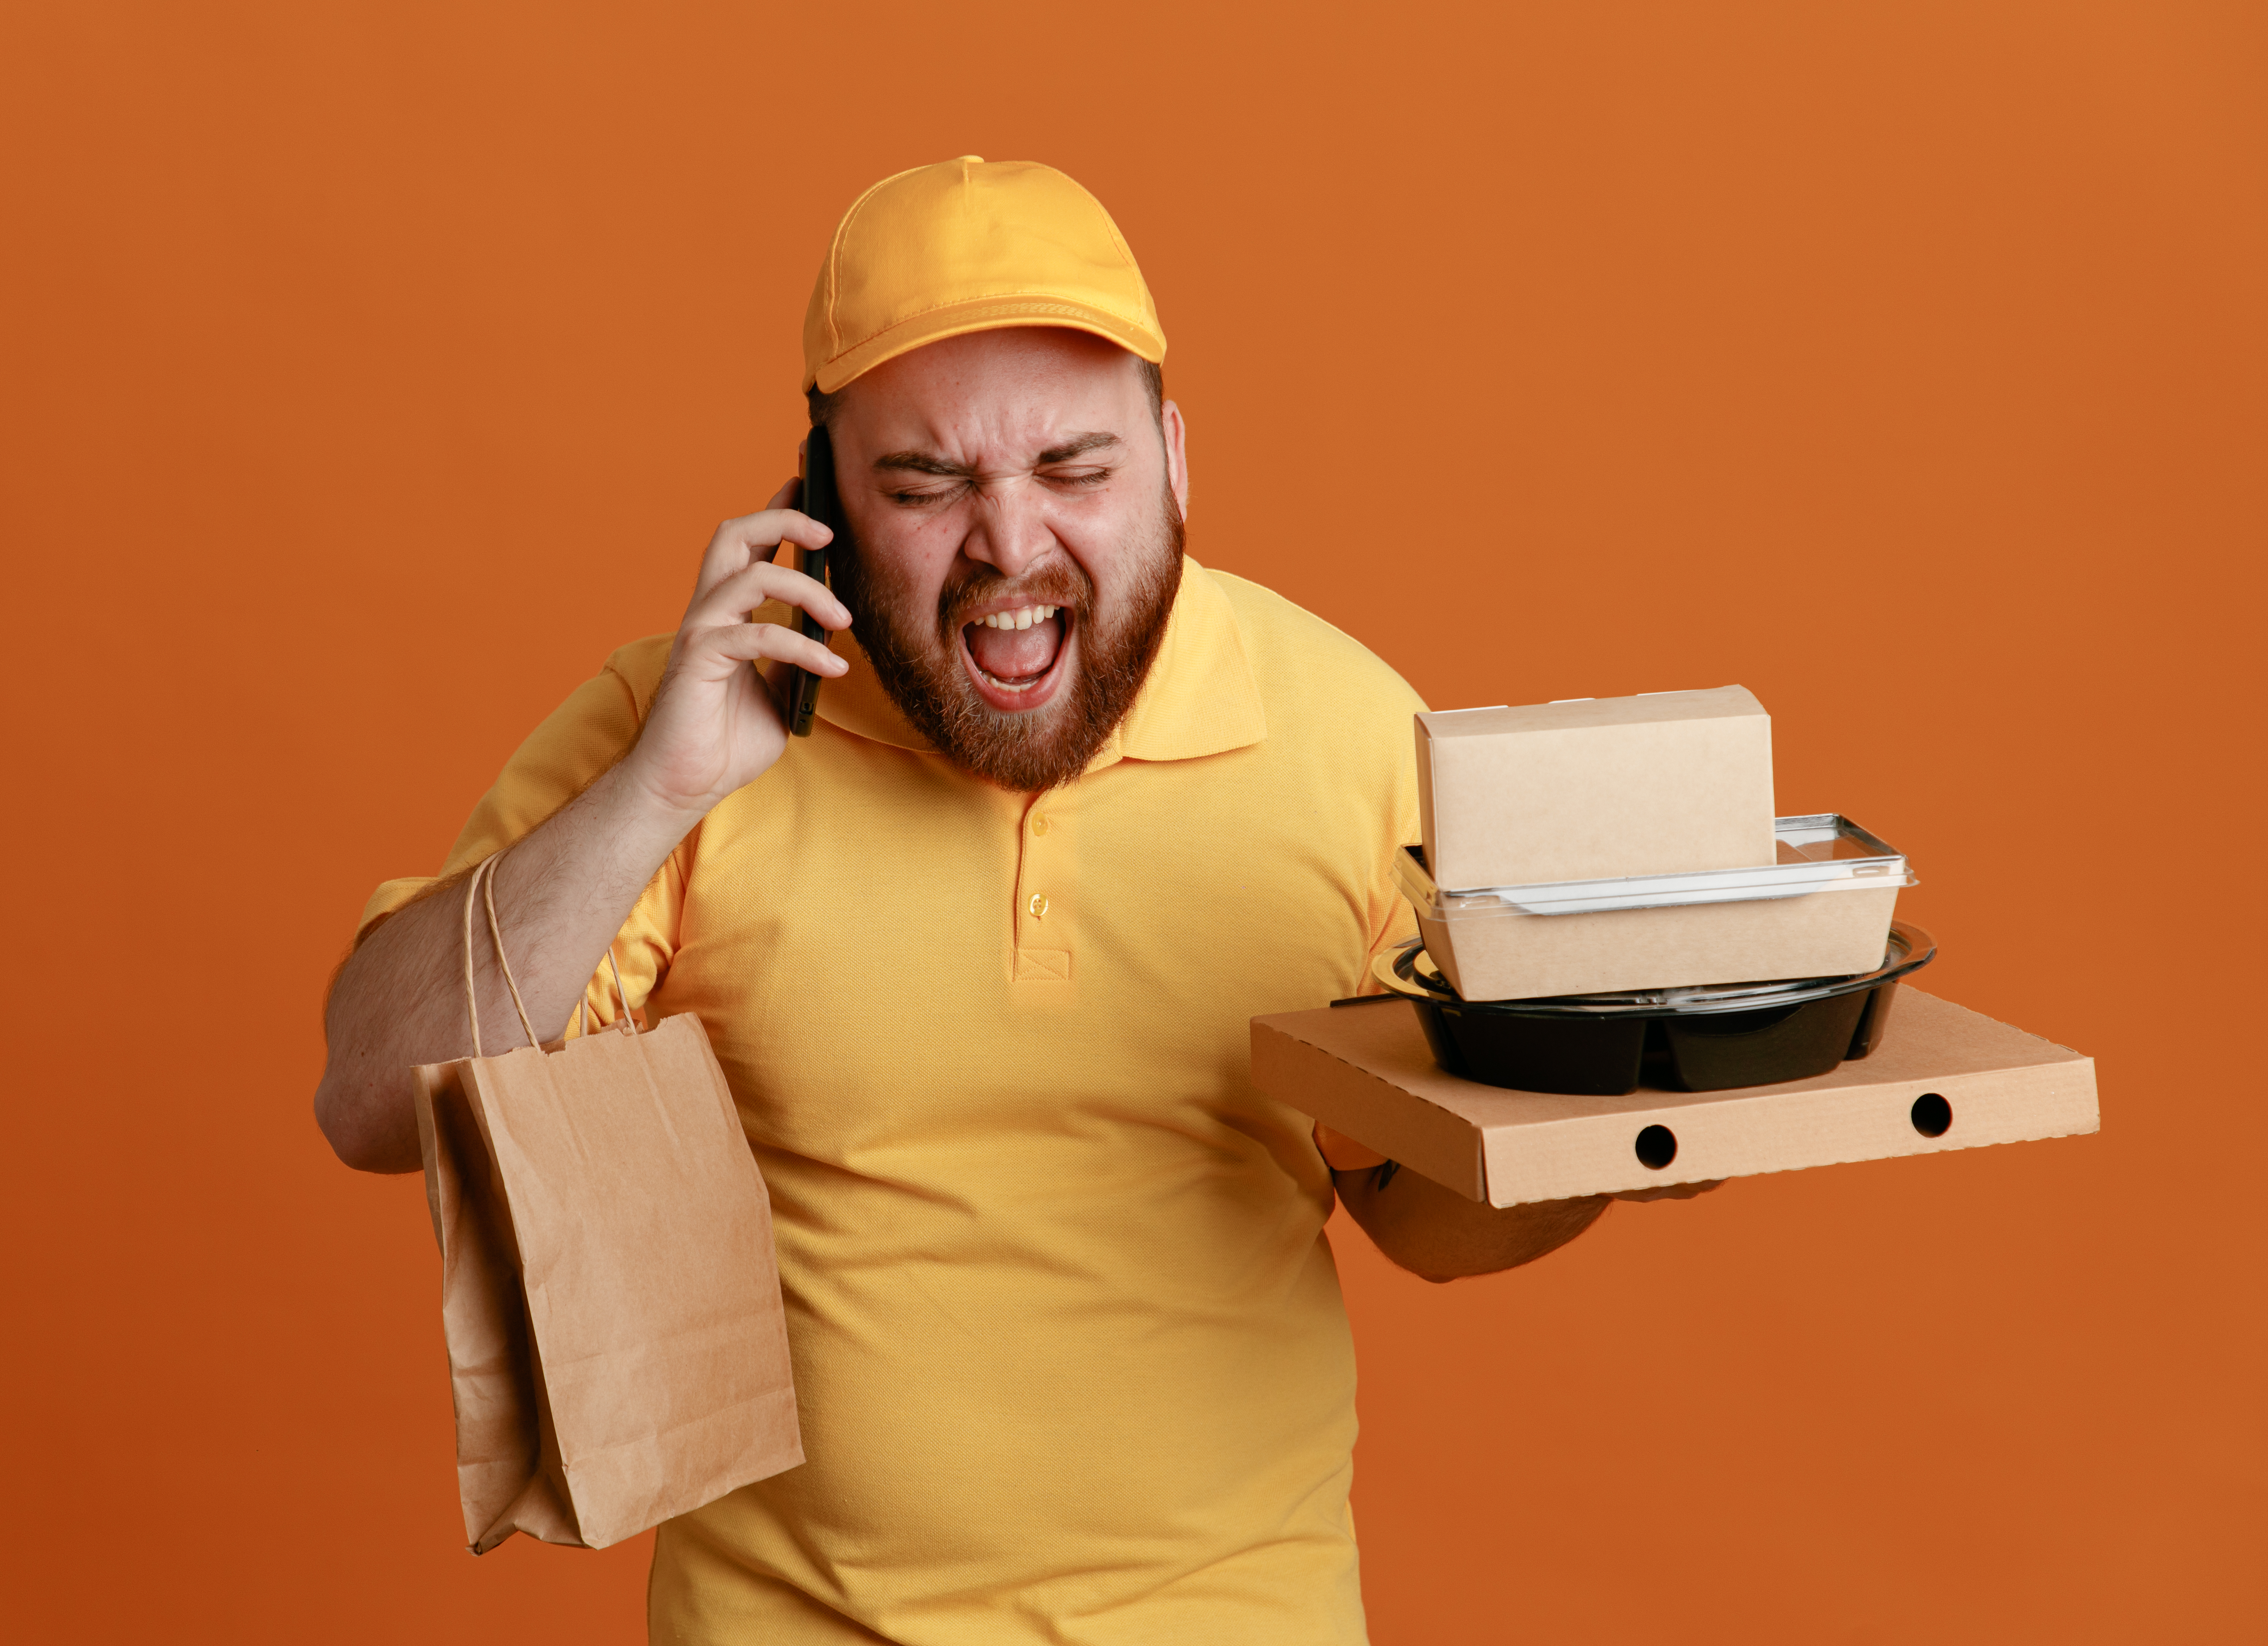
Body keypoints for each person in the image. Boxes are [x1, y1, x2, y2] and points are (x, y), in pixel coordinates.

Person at [316, 155, 1707, 1644]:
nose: (1011, 544)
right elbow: (370, 1100)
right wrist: (660, 789)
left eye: (1076, 469)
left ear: (1176, 461)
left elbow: (1423, 1214)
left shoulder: (1351, 737)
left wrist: (1619, 1128)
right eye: (927, 484)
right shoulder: (680, 731)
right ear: (821, 502)